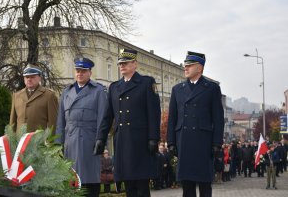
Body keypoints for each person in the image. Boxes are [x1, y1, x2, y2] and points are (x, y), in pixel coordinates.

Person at [94, 49, 161, 197]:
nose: (122, 66)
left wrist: (153, 138)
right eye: (120, 63)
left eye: (125, 63)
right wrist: (100, 138)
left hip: (141, 142)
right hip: (123, 142)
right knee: (128, 186)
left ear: (135, 64)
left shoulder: (146, 83)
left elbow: (154, 114)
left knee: (142, 186)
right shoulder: (114, 87)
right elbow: (107, 116)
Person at [167, 51, 224, 197]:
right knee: (187, 186)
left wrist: (217, 142)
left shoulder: (211, 88)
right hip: (183, 141)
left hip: (203, 142)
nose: (185, 68)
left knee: (205, 184)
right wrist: (171, 141)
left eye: (190, 65)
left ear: (200, 68)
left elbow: (218, 118)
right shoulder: (177, 89)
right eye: (185, 65)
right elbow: (172, 118)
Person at [55, 57, 107, 197]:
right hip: (70, 143)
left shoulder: (98, 91)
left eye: (83, 71)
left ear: (90, 72)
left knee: (89, 182)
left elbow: (103, 119)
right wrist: (58, 143)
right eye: (78, 70)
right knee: (71, 182)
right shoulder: (66, 92)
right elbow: (61, 120)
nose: (80, 73)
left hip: (89, 143)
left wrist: (101, 140)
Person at [10, 64, 58, 133]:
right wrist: (11, 140)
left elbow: (53, 123)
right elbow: (12, 122)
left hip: (39, 141)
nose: (29, 79)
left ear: (39, 78)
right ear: (24, 79)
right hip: (20, 141)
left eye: (32, 77)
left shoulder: (49, 96)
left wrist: (49, 142)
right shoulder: (16, 96)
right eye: (27, 77)